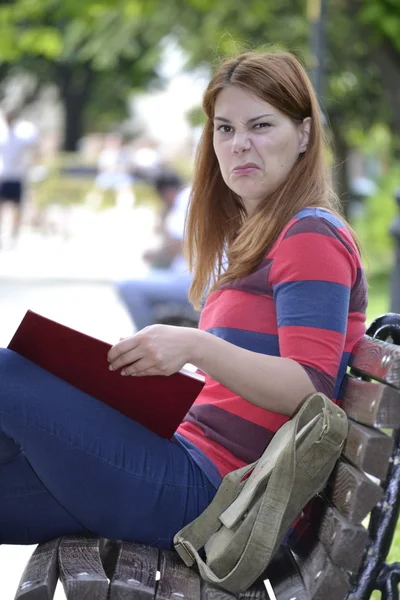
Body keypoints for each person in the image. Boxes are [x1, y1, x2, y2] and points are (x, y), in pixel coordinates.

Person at [0, 51, 367, 548]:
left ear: (303, 134)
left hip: (217, 497)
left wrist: (195, 346)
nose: (240, 145)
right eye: (225, 129)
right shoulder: (258, 238)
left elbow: (309, 388)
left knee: (9, 371)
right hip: (187, 465)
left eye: (260, 125)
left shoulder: (311, 235)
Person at [116, 171, 196, 331]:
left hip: (194, 282)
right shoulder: (190, 195)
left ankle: (144, 344)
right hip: (195, 279)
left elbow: (174, 247)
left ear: (167, 192)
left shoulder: (185, 198)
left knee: (126, 286)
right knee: (147, 277)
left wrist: (164, 219)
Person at [0, 109, 38, 247]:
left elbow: (32, 147)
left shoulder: (21, 134)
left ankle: (14, 234)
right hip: (3, 174)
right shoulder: (2, 134)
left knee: (17, 207)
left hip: (17, 175)